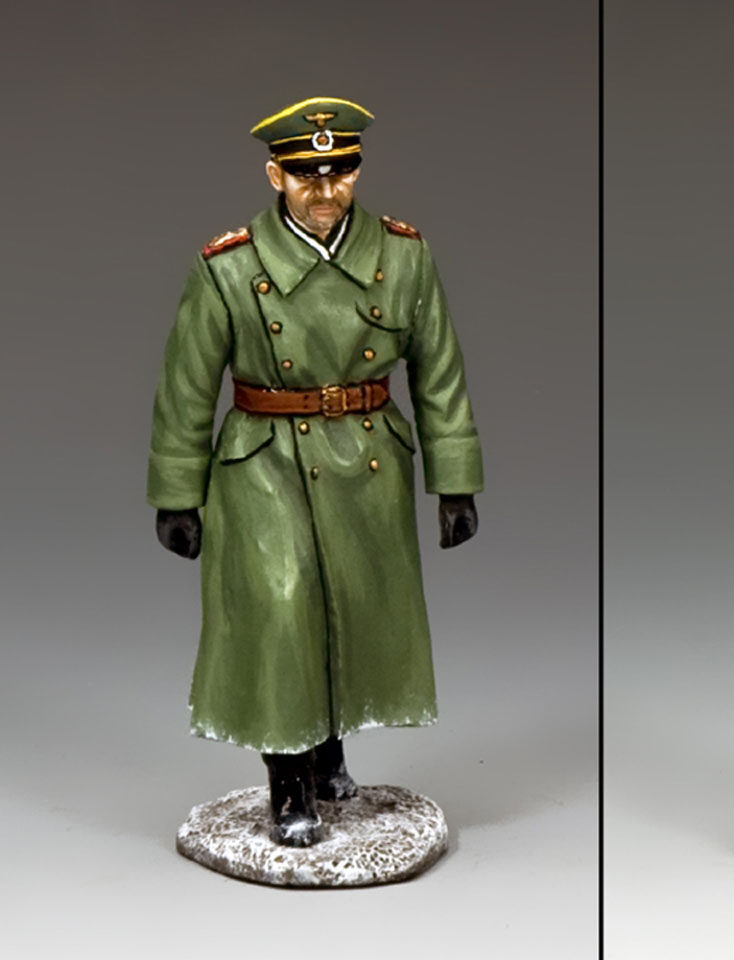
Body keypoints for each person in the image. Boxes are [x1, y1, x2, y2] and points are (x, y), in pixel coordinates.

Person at [148, 97, 483, 846]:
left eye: (340, 174)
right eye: (306, 177)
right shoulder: (230, 266)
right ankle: (288, 782)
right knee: (281, 611)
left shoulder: (403, 255)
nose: (325, 191)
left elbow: (440, 372)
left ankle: (329, 752)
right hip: (264, 459)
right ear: (276, 176)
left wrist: (454, 479)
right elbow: (186, 386)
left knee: (353, 610)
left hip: (369, 456)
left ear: (358, 172)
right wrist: (176, 495)